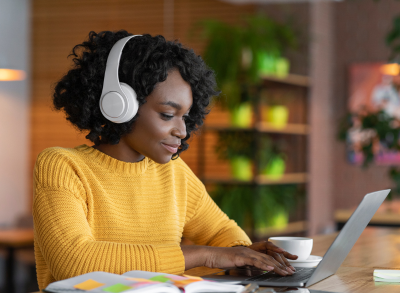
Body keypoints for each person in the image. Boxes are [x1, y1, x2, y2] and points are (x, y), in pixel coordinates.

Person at [32, 30, 297, 291]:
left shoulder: (173, 172)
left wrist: (242, 255)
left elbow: (222, 232)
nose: (182, 131)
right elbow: (74, 262)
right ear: (119, 105)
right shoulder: (62, 166)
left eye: (185, 117)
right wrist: (207, 256)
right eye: (168, 114)